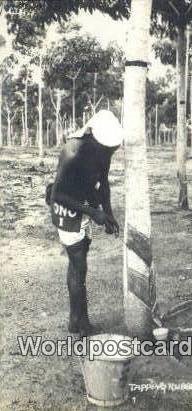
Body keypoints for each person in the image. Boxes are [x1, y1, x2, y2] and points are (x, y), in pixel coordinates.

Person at [46, 110, 124, 336]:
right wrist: (94, 212)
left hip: (83, 206)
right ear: (93, 137)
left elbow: (104, 182)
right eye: (109, 148)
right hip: (66, 207)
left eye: (114, 148)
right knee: (79, 266)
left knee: (78, 264)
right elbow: (56, 196)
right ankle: (81, 323)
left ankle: (77, 320)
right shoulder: (73, 151)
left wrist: (108, 214)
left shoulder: (104, 149)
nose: (112, 151)